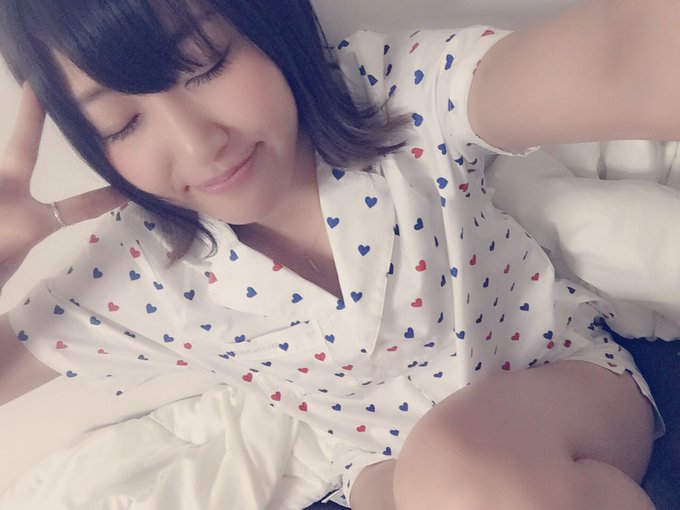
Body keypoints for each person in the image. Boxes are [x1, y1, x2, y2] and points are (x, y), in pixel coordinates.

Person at [0, 0, 672, 508]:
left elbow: (621, 60)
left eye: (207, 61)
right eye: (122, 123)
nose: (198, 144)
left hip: (563, 389)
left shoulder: (395, 95)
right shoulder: (145, 269)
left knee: (456, 461)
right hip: (384, 470)